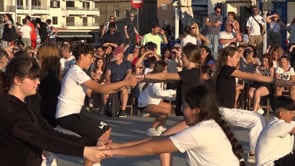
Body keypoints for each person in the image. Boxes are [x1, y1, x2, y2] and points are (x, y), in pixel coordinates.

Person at [99, 85, 245, 166]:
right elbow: (158, 141)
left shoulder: (201, 131)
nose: (182, 110)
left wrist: (112, 152)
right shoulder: (209, 124)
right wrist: (117, 146)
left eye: (185, 107)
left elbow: (154, 147)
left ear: (196, 110)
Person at [0, 55, 106, 166]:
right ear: (17, 80)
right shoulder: (7, 108)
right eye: (33, 78)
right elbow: (41, 138)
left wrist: (91, 143)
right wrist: (84, 151)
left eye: (38, 78)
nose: (38, 82)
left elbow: (49, 132)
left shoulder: (26, 104)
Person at [55, 44, 138, 165]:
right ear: (82, 56)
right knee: (104, 131)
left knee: (95, 139)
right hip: (68, 114)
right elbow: (100, 89)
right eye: (90, 57)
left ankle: (93, 162)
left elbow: (92, 92)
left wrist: (123, 86)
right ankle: (94, 162)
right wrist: (126, 82)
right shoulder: (76, 71)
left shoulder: (78, 72)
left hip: (74, 112)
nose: (92, 60)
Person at [138, 61, 175, 136]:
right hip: (145, 103)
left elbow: (160, 94)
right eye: (165, 69)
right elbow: (157, 93)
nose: (167, 71)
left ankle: (160, 127)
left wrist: (173, 95)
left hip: (153, 101)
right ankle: (152, 130)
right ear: (162, 70)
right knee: (164, 112)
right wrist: (173, 92)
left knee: (169, 107)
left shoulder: (157, 77)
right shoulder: (156, 80)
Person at [255, 96, 295, 166]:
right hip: (270, 163)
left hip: (280, 160)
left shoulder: (286, 123)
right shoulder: (276, 125)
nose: (293, 115)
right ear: (281, 114)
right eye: (291, 113)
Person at [105, 47, 132, 117]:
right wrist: (108, 80)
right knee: (106, 91)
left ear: (121, 55)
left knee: (124, 90)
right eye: (114, 54)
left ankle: (123, 110)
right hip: (113, 83)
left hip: (123, 82)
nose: (114, 55)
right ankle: (106, 109)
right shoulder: (110, 64)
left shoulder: (127, 63)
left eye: (116, 54)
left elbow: (129, 73)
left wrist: (124, 81)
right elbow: (108, 74)